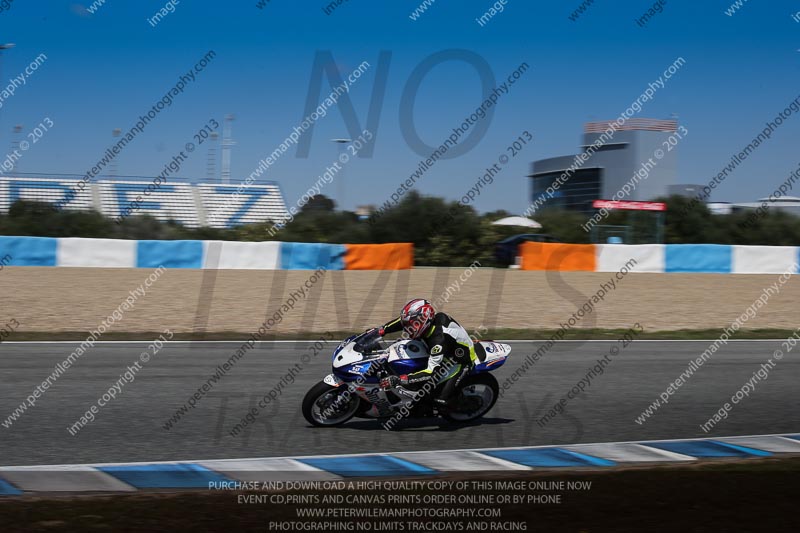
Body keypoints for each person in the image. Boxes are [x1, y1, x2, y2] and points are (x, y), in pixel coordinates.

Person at [371, 298, 478, 409]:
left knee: (440, 400)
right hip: (443, 349)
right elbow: (402, 321)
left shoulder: (438, 341)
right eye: (409, 324)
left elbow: (430, 373)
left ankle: (464, 405)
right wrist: (382, 330)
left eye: (412, 325)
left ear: (424, 320)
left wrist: (400, 380)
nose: (408, 329)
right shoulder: (429, 323)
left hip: (457, 361)